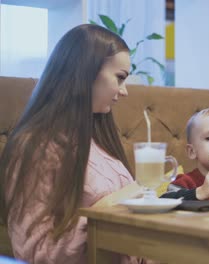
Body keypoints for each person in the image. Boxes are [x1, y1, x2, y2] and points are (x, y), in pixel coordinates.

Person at [0, 24, 138, 263]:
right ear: (86, 72)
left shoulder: (100, 140)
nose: (124, 91)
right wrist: (103, 214)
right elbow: (35, 251)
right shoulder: (35, 147)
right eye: (120, 78)